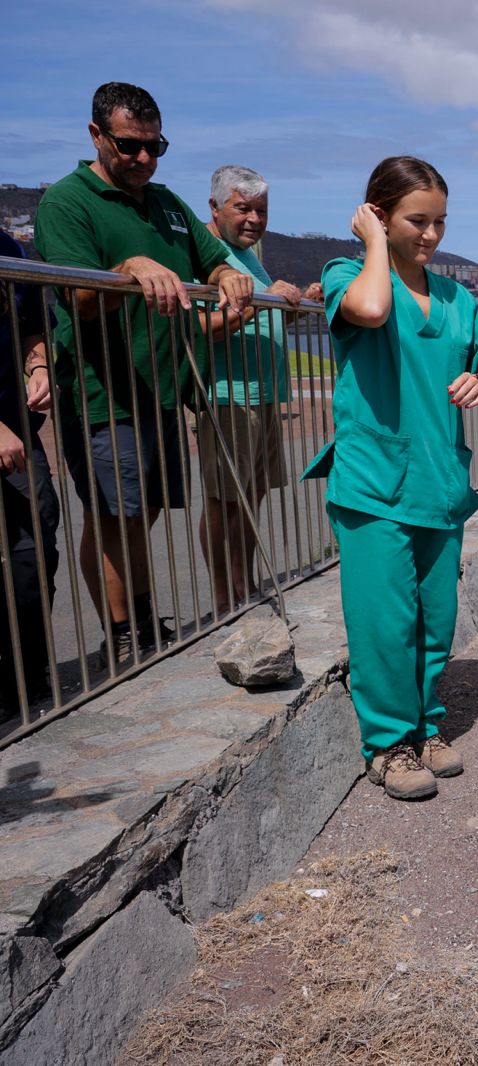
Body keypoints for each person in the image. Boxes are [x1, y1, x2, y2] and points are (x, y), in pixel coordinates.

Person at [33, 82, 251, 669]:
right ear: (96, 135)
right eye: (130, 147)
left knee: (145, 510)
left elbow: (213, 257)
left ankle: (143, 612)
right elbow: (75, 294)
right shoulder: (66, 202)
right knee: (113, 514)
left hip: (161, 389)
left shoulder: (169, 204)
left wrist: (229, 275)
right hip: (105, 394)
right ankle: (124, 630)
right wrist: (127, 267)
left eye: (156, 147)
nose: (144, 160)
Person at [302, 156, 478, 801]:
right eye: (417, 221)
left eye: (440, 222)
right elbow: (374, 310)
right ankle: (388, 745)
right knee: (384, 621)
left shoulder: (460, 299)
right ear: (379, 214)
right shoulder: (346, 275)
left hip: (438, 481)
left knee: (435, 621)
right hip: (374, 482)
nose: (432, 235)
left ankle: (425, 726)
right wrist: (374, 243)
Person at [196, 164, 321, 613]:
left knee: (251, 496)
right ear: (215, 207)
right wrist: (258, 305)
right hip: (230, 394)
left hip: (264, 392)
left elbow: (261, 312)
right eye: (242, 208)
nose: (253, 219)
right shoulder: (205, 251)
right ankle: (225, 597)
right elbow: (198, 327)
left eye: (261, 210)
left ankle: (245, 585)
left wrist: (297, 303)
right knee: (224, 500)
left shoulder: (250, 253)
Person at [0, 231, 60, 716]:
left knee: (34, 541)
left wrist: (39, 365)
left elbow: (32, 326)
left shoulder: (11, 249)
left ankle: (27, 677)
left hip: (16, 425)